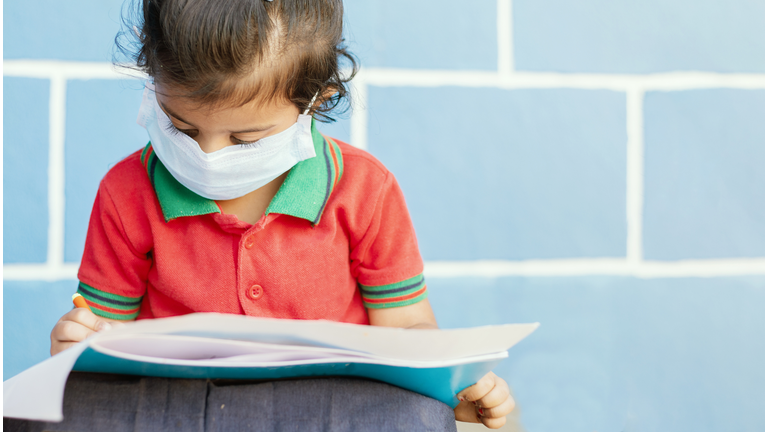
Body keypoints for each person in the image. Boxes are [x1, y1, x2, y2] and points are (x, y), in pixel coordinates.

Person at [48, 0, 515, 428]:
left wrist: (454, 381)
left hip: (330, 404)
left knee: (417, 416)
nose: (207, 154)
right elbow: (103, 334)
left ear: (317, 99)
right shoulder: (126, 189)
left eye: (244, 138)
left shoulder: (364, 188)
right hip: (180, 403)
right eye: (181, 126)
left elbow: (408, 328)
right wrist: (76, 344)